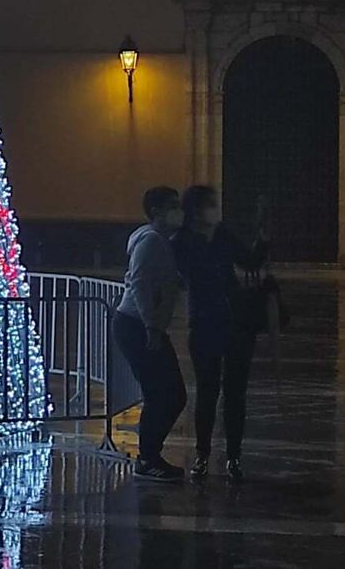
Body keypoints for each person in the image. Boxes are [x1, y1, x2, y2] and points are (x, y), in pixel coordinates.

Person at [174, 185, 269, 481]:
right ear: (197, 211)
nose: (217, 210)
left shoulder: (224, 235)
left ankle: (234, 456)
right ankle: (202, 453)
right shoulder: (183, 242)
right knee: (207, 391)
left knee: (235, 393)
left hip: (237, 323)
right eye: (211, 205)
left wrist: (263, 241)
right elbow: (179, 277)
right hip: (204, 323)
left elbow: (249, 262)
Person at [114, 185, 188, 481]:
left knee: (169, 393)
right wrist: (152, 327)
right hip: (137, 325)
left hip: (142, 324)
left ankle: (150, 455)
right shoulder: (151, 242)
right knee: (164, 393)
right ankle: (148, 458)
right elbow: (141, 285)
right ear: (156, 211)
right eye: (172, 205)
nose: (178, 211)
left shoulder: (160, 241)